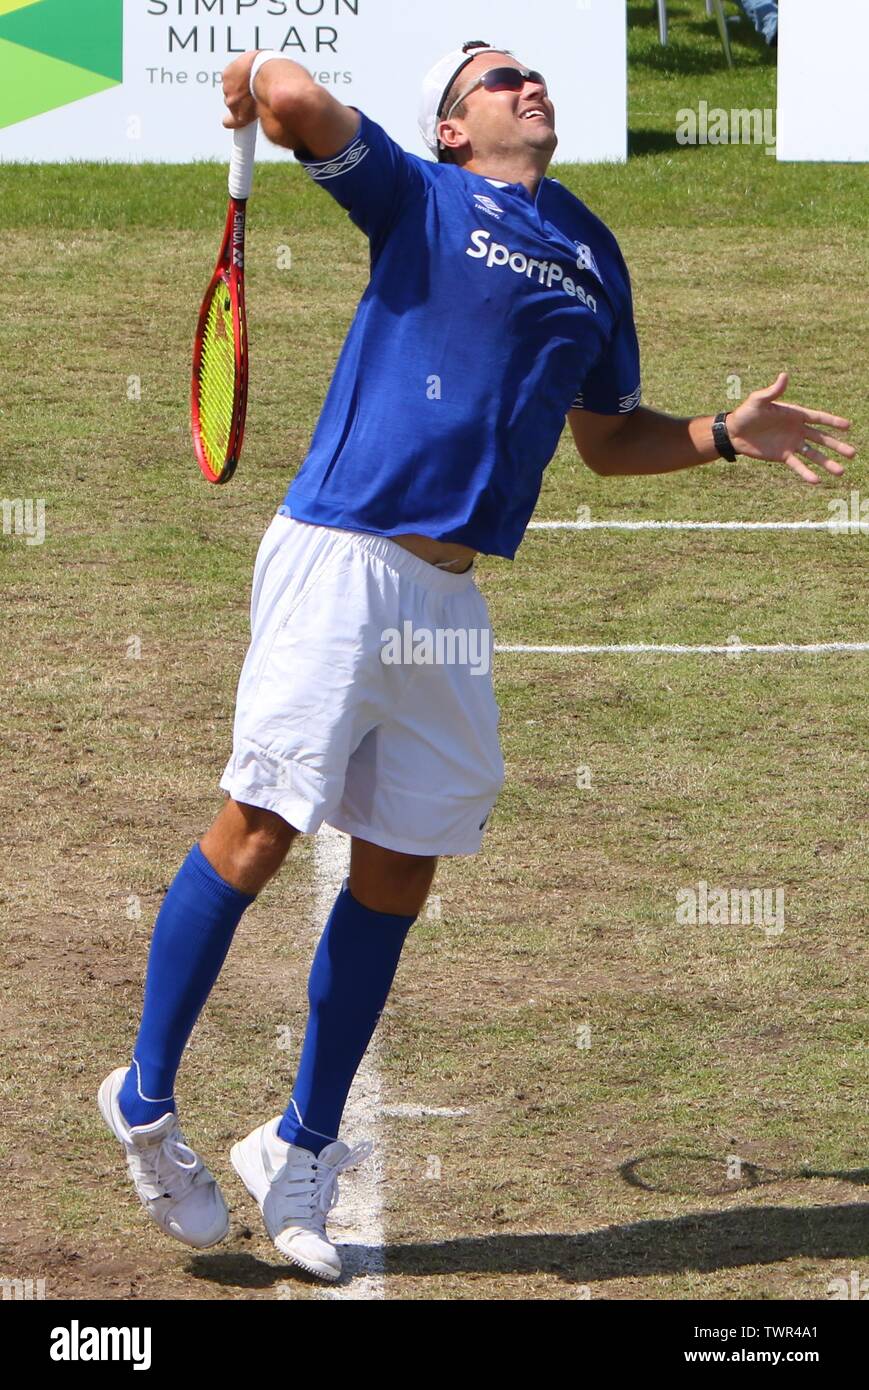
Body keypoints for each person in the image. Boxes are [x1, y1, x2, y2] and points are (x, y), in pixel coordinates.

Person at [98, 39, 854, 1284]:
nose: (525, 86)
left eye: (528, 76)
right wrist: (252, 77)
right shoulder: (416, 195)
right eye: (495, 82)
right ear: (451, 130)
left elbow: (606, 441)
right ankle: (143, 1093)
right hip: (342, 559)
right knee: (259, 829)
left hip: (448, 606)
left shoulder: (592, 252)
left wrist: (722, 433)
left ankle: (299, 1146)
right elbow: (287, 94)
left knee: (400, 869)